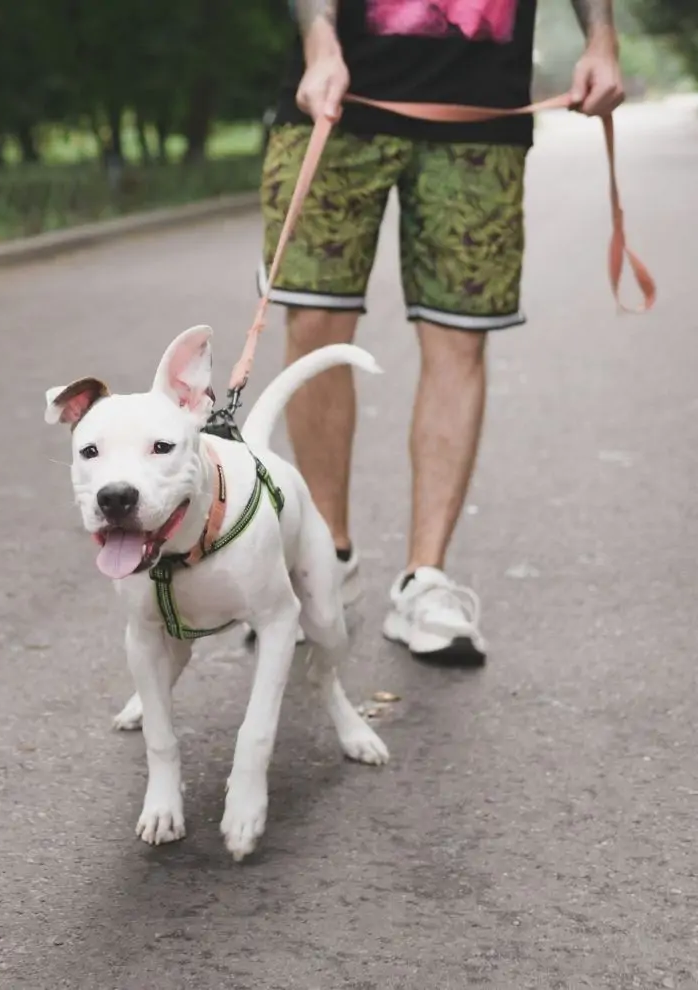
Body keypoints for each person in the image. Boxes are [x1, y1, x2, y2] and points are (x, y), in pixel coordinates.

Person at [261, 0, 624, 665]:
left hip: (480, 114)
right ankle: (327, 561)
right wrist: (319, 41)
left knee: (460, 337)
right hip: (336, 96)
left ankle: (424, 580)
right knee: (313, 323)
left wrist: (601, 38)